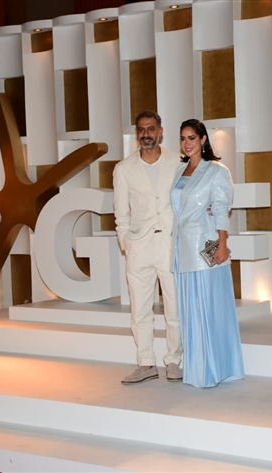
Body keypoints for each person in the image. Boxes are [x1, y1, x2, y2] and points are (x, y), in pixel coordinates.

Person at [171, 118, 245, 388]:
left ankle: (214, 369)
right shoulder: (180, 170)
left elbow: (221, 208)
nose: (187, 143)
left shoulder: (216, 170)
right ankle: (197, 369)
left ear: (203, 139)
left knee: (209, 309)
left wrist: (222, 244)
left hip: (206, 248)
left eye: (192, 137)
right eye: (183, 138)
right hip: (182, 249)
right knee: (190, 311)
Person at [113, 111, 183, 384]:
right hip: (139, 248)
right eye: (141, 129)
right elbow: (121, 213)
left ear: (160, 131)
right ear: (137, 134)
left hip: (169, 244)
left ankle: (174, 361)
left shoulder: (177, 160)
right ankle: (146, 363)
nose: (146, 134)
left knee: (174, 307)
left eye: (151, 129)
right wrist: (126, 243)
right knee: (140, 309)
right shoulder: (123, 169)